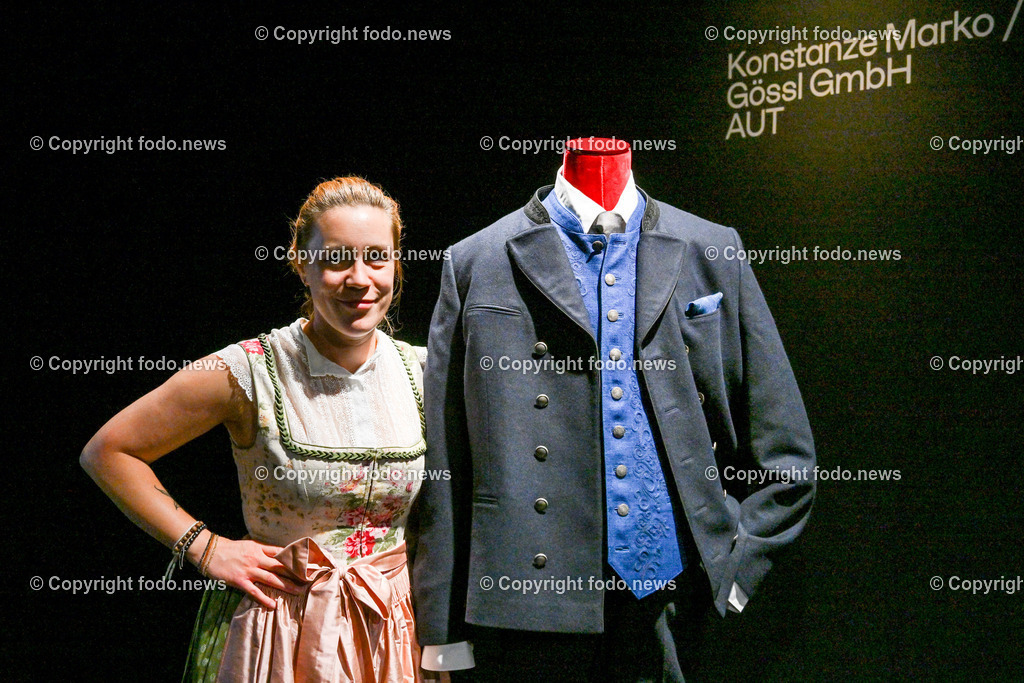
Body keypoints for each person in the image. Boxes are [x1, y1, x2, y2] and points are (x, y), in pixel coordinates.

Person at [411, 139, 816, 681]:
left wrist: (734, 572)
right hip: (524, 611)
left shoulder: (712, 247)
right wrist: (441, 638)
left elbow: (785, 450)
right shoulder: (476, 260)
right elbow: (447, 467)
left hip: (670, 598)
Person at [81, 176, 432, 682]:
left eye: (377, 257)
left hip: (392, 630)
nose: (360, 278)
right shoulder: (250, 370)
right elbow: (110, 451)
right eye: (336, 259)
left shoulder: (424, 371)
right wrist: (205, 547)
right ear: (300, 264)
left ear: (396, 265)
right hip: (278, 630)